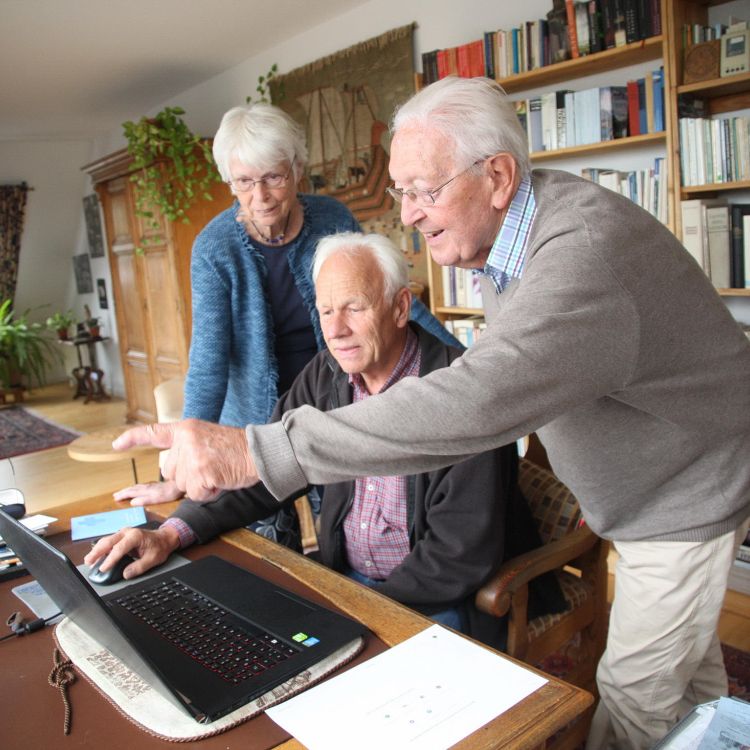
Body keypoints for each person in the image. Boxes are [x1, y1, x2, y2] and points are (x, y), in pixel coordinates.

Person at [113, 77, 750, 750]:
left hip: (685, 493)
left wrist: (255, 449)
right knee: (692, 682)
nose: (410, 214)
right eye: (401, 192)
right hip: (650, 485)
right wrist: (181, 523)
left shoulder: (579, 254)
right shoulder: (515, 235)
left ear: (497, 175)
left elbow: (476, 401)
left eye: (425, 190)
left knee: (633, 699)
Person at [87, 232, 563, 648]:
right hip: (345, 582)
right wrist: (170, 533)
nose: (335, 331)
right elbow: (264, 470)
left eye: (354, 308)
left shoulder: (463, 390)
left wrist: (349, 610)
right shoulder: (327, 374)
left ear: (400, 307)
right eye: (326, 310)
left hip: (435, 599)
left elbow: (457, 558)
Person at [114, 102, 457, 543]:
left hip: (330, 407)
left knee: (347, 533)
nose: (261, 197)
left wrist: (467, 366)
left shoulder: (332, 218)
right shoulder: (214, 248)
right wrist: (186, 462)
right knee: (269, 549)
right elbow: (208, 359)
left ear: (296, 169)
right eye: (244, 182)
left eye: (274, 178)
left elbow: (388, 301)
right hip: (256, 423)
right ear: (230, 182)